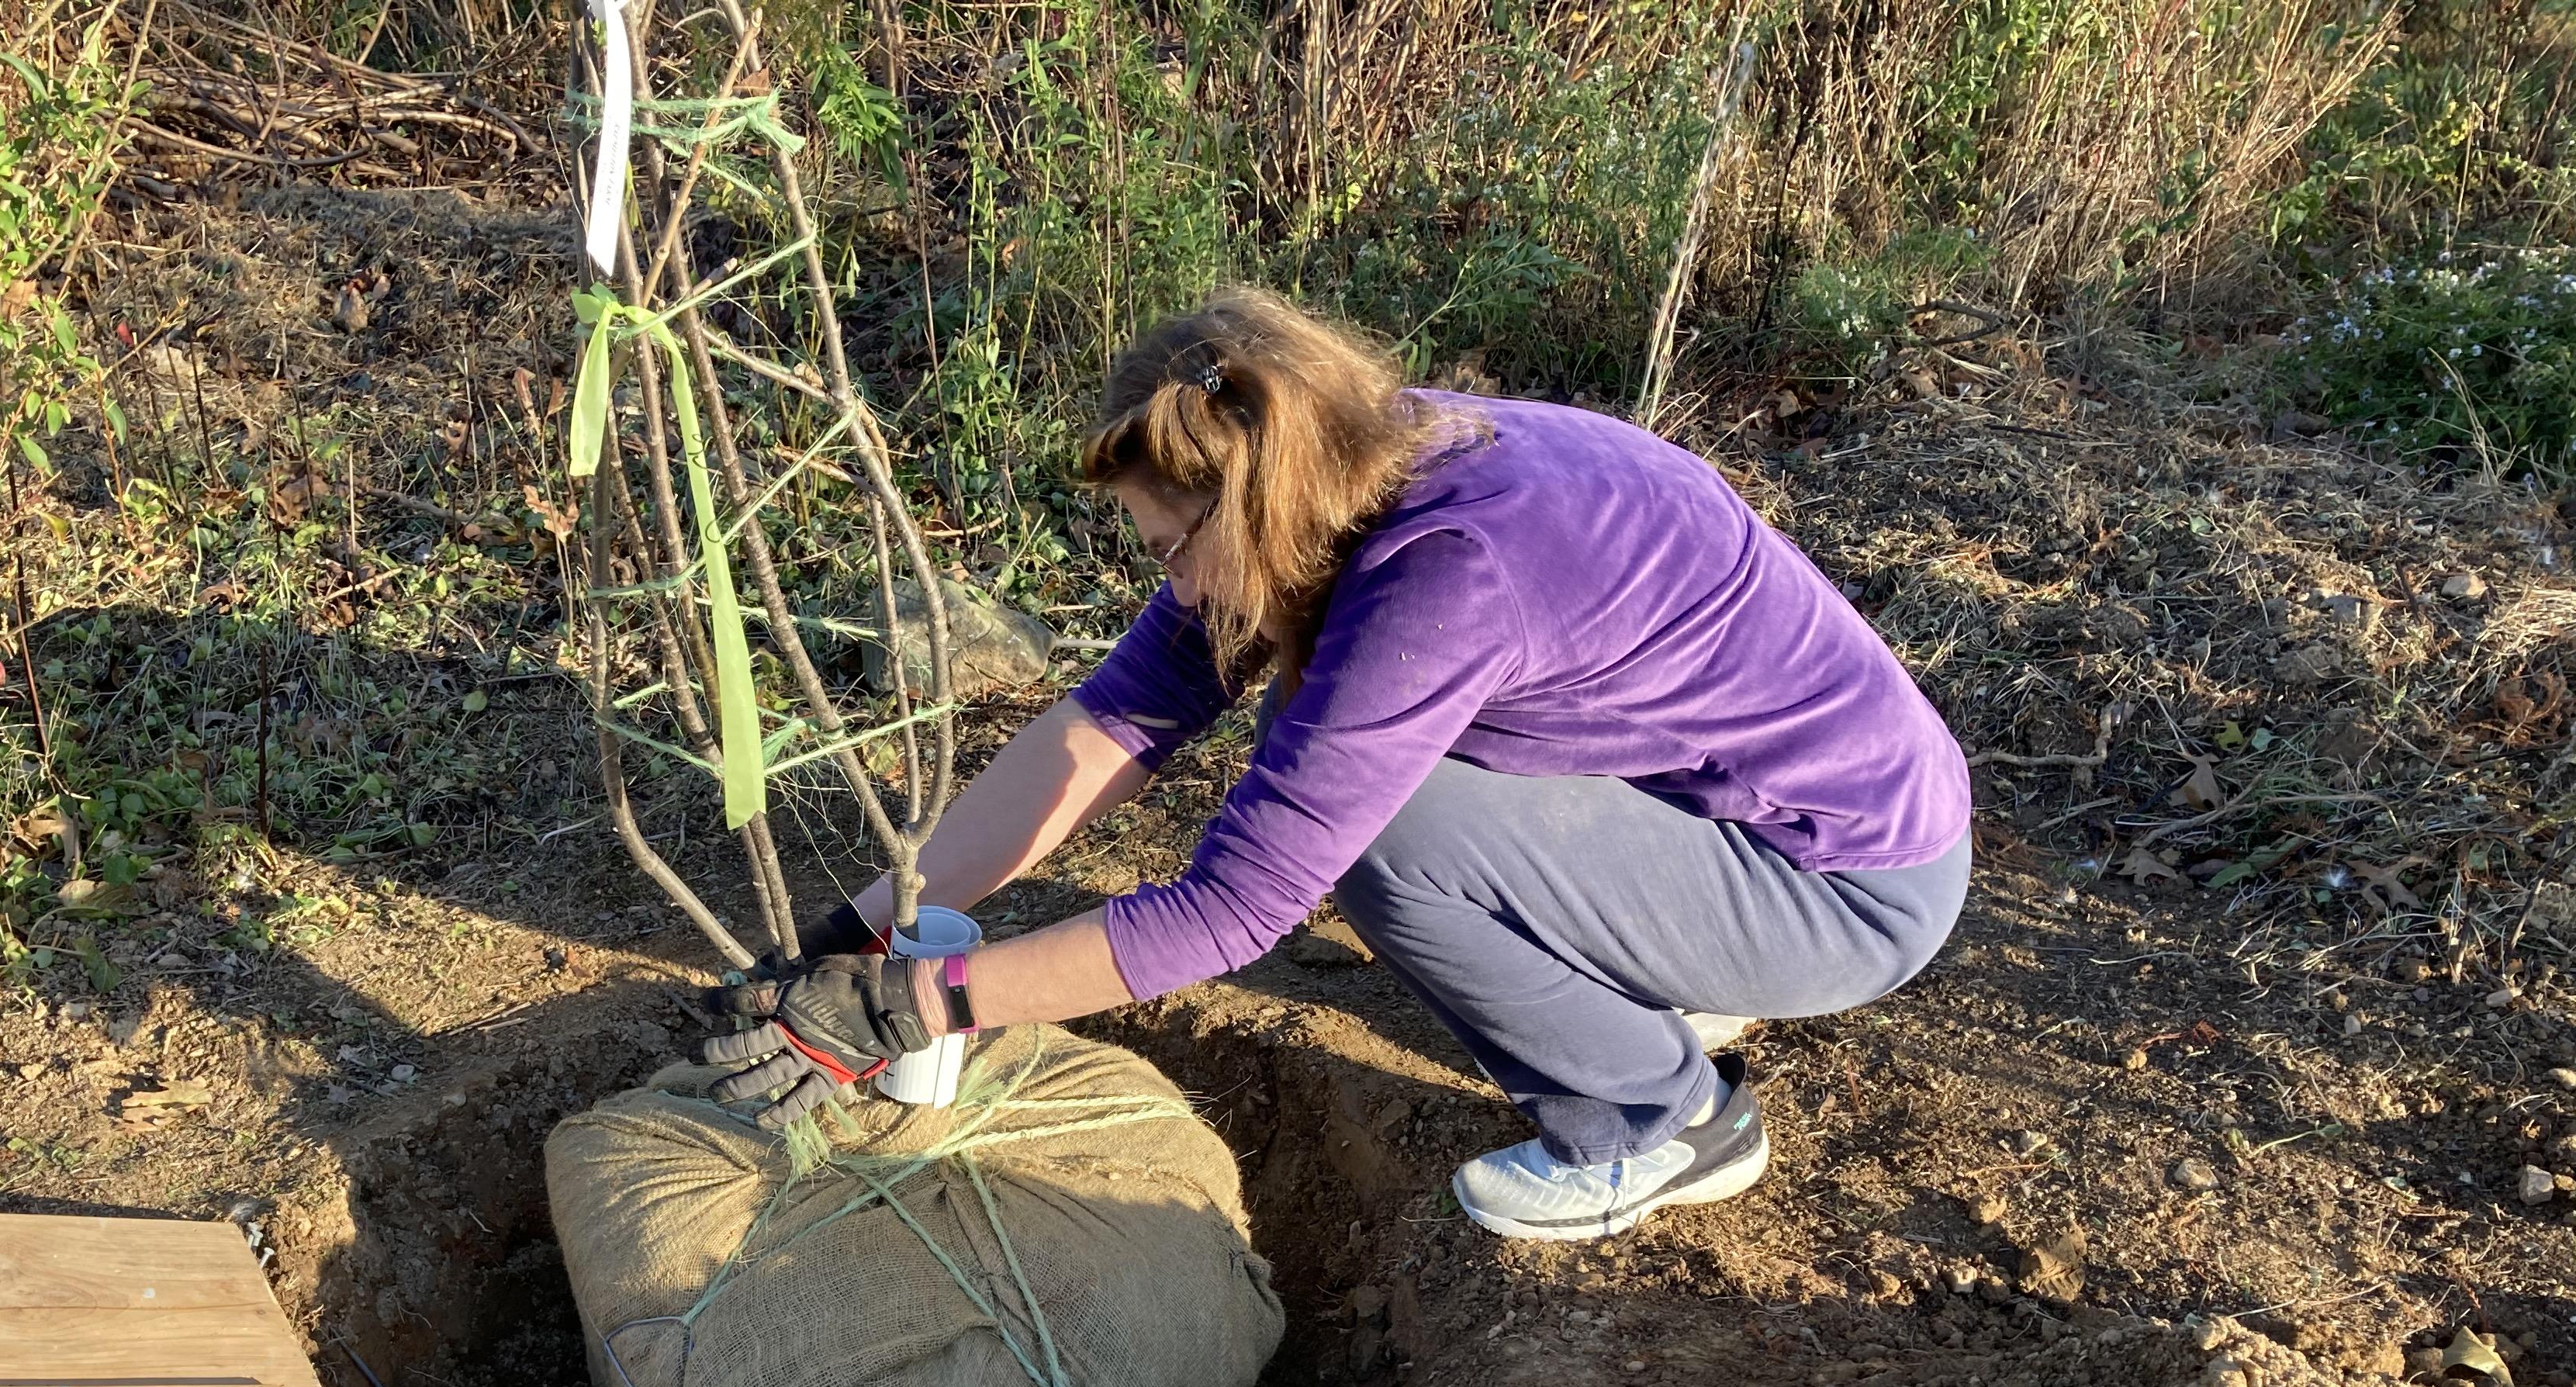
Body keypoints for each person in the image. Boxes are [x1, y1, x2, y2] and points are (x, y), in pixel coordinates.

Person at [700, 287, 1970, 1243]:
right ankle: (1647, 969)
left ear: (1240, 500)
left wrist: (919, 1009)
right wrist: (868, 931)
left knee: (1379, 831)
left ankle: (1665, 1121)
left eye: (1161, 546)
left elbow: (1237, 907)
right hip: (1720, 809)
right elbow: (1112, 725)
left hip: (1842, 887)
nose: (1159, 575)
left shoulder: (1448, 578)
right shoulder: (1357, 462)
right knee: (1369, 795)